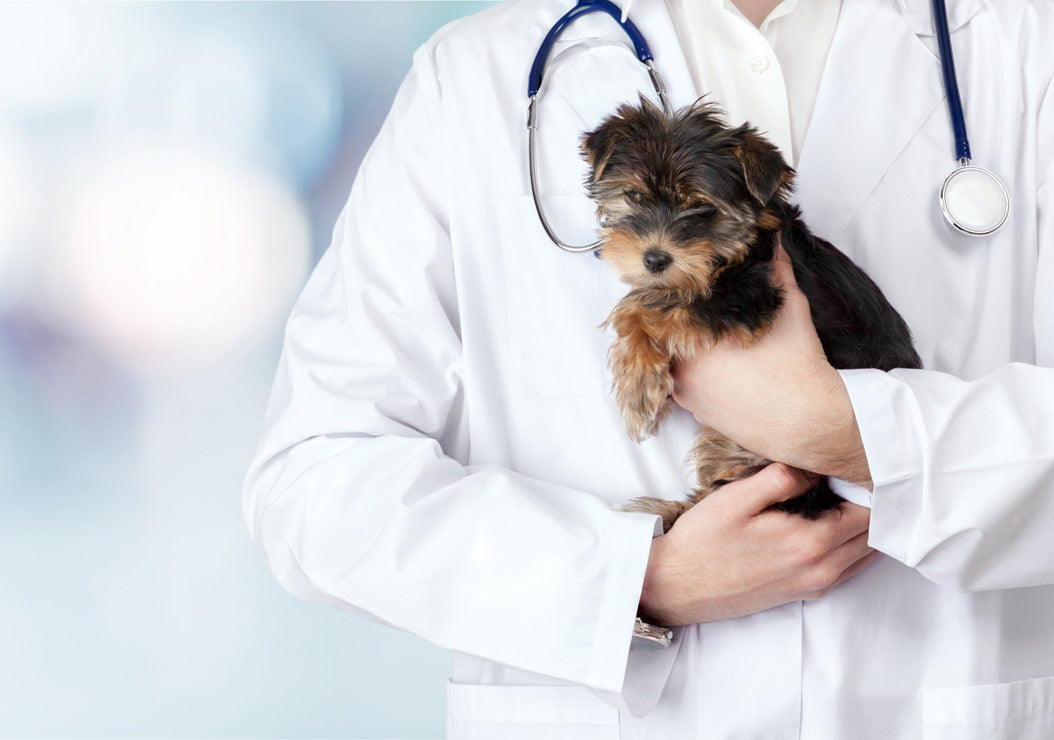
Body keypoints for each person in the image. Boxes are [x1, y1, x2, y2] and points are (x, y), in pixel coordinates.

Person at [242, 0, 1054, 736]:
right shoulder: (475, 77)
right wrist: (632, 583)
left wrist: (850, 435)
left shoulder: (1025, 46)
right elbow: (315, 481)